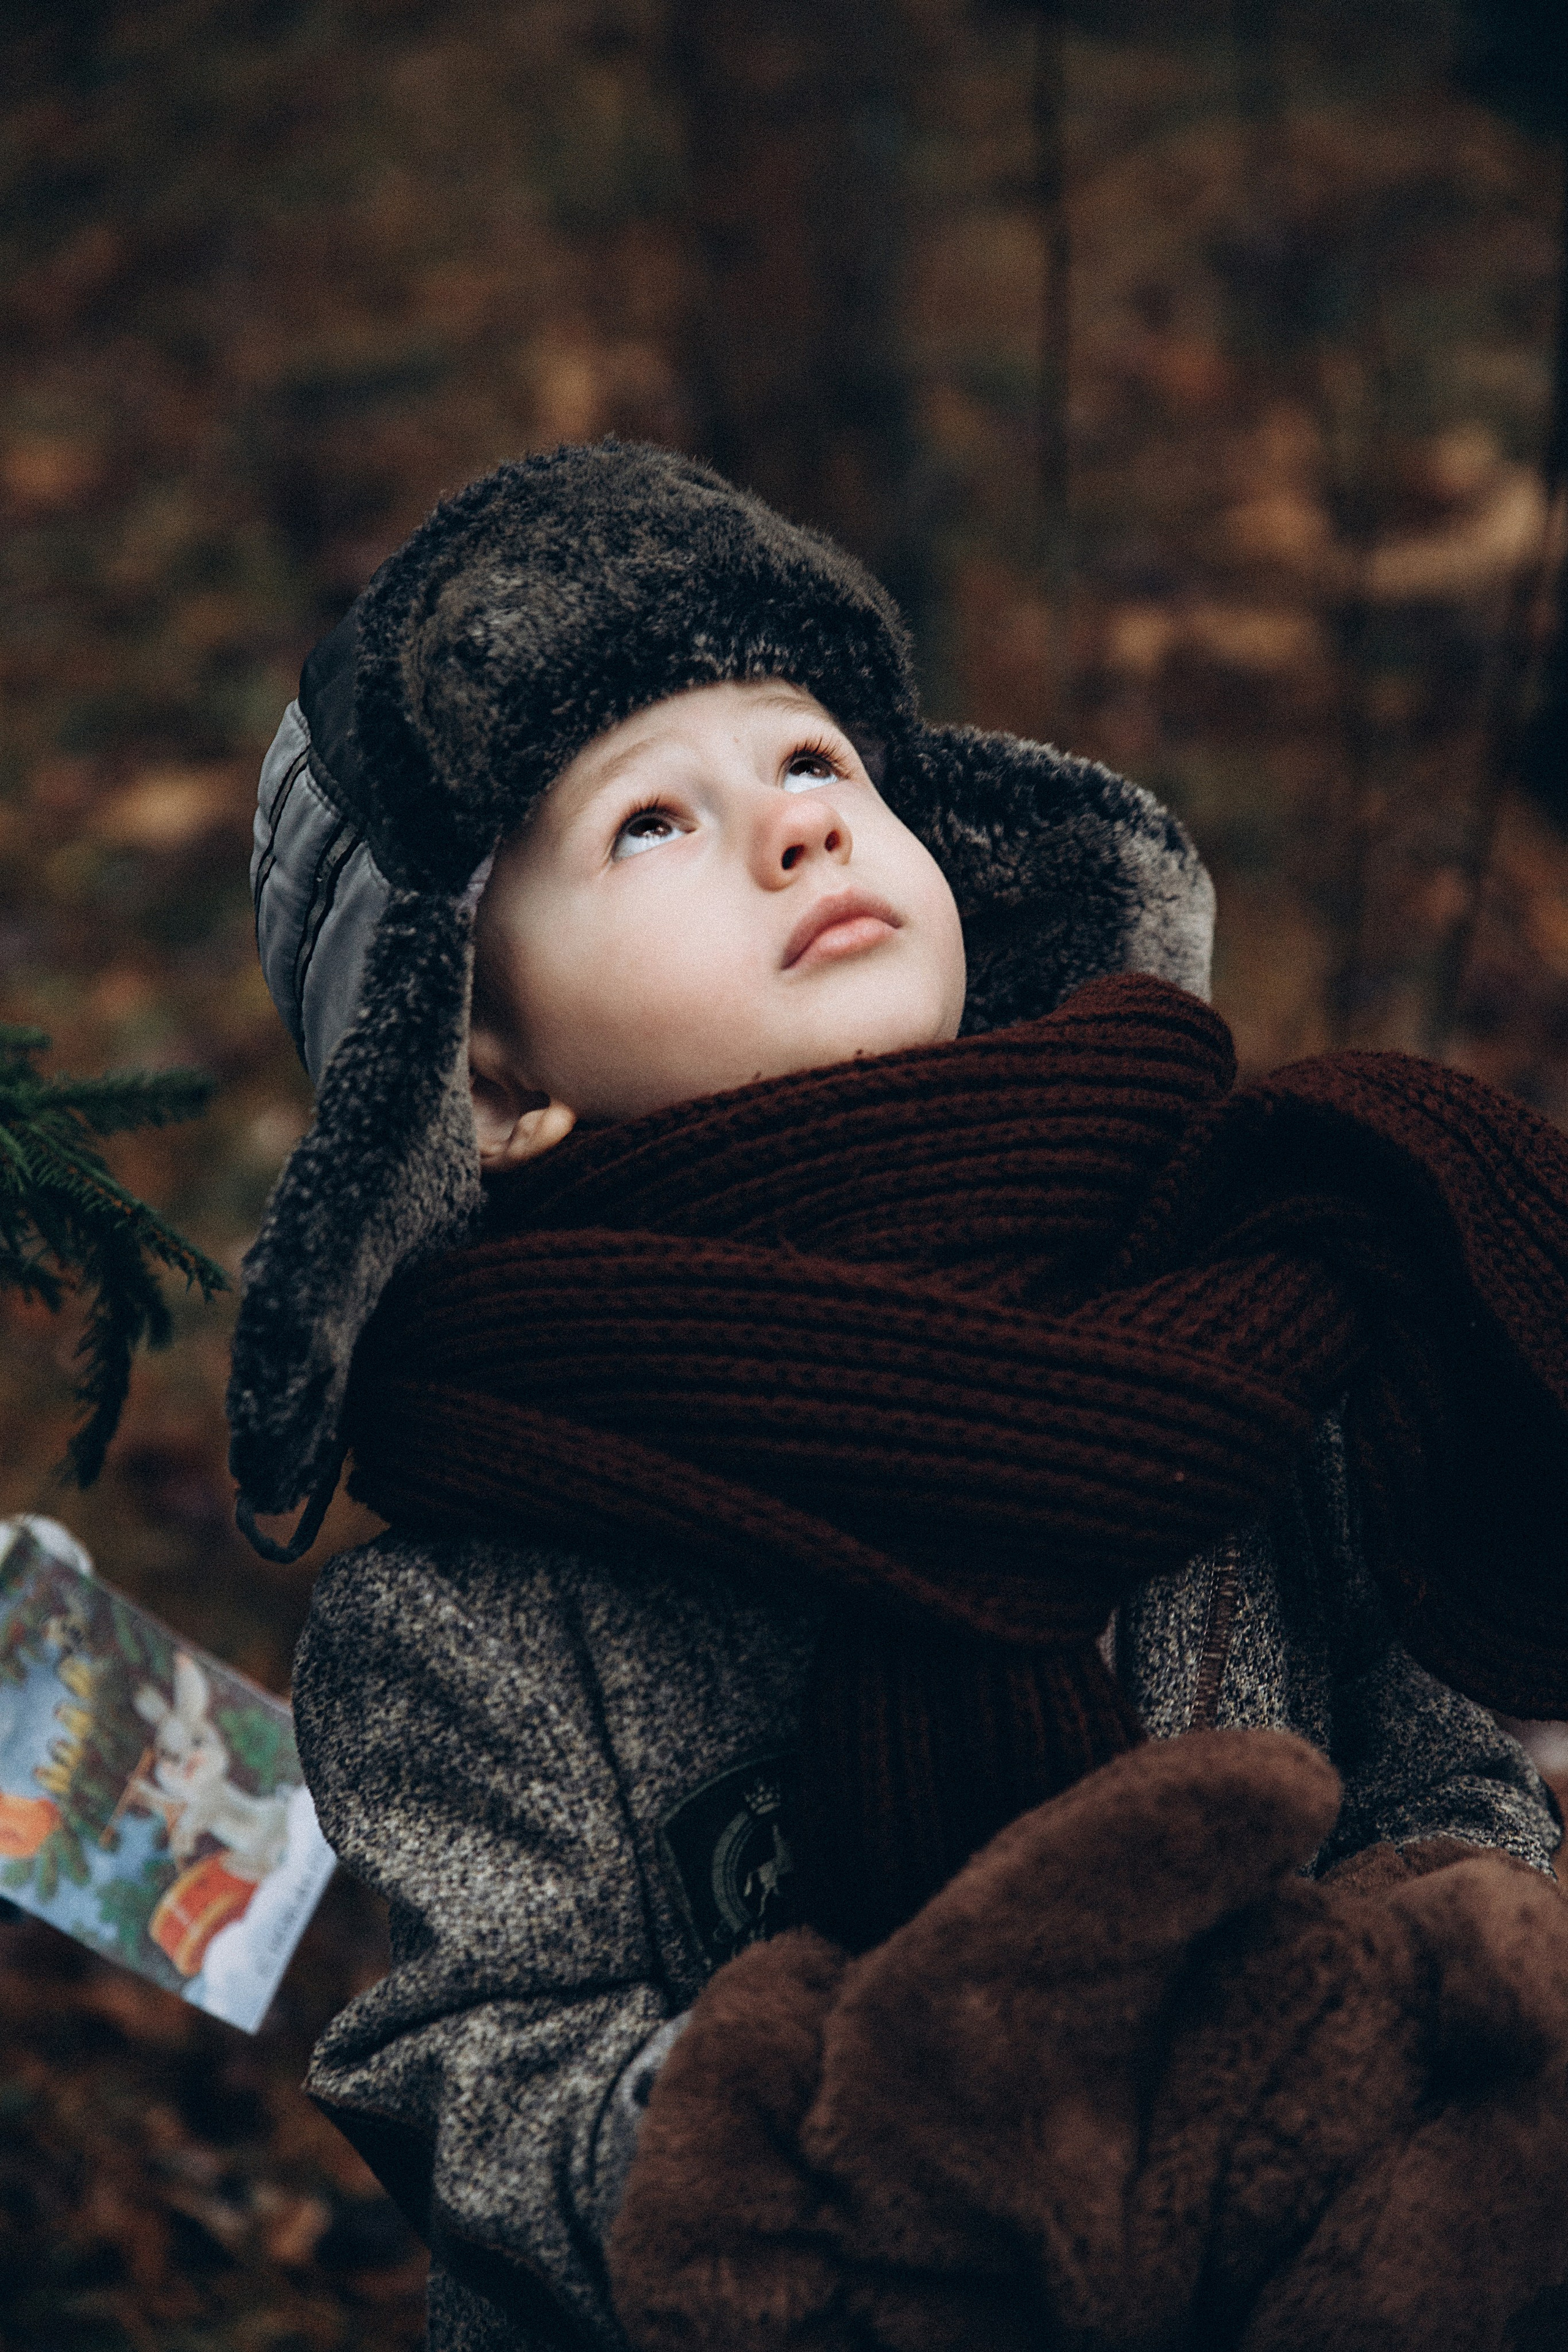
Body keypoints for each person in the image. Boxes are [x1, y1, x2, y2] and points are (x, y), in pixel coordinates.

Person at [229, 442, 1568, 2352]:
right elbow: (472, 2078)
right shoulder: (479, 1609)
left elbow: (1430, 1761)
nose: (796, 830)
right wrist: (863, 2128)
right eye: (648, 825)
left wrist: (1385, 2000)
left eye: (814, 763)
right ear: (484, 1074)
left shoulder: (1226, 1320)